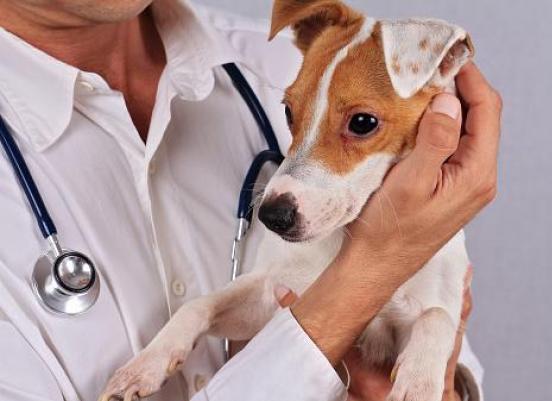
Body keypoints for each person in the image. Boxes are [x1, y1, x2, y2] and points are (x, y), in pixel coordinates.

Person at [0, 0, 502, 400]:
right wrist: (368, 273)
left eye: (361, 124)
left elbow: (449, 368)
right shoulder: (308, 67)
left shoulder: (285, 60)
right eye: (293, 116)